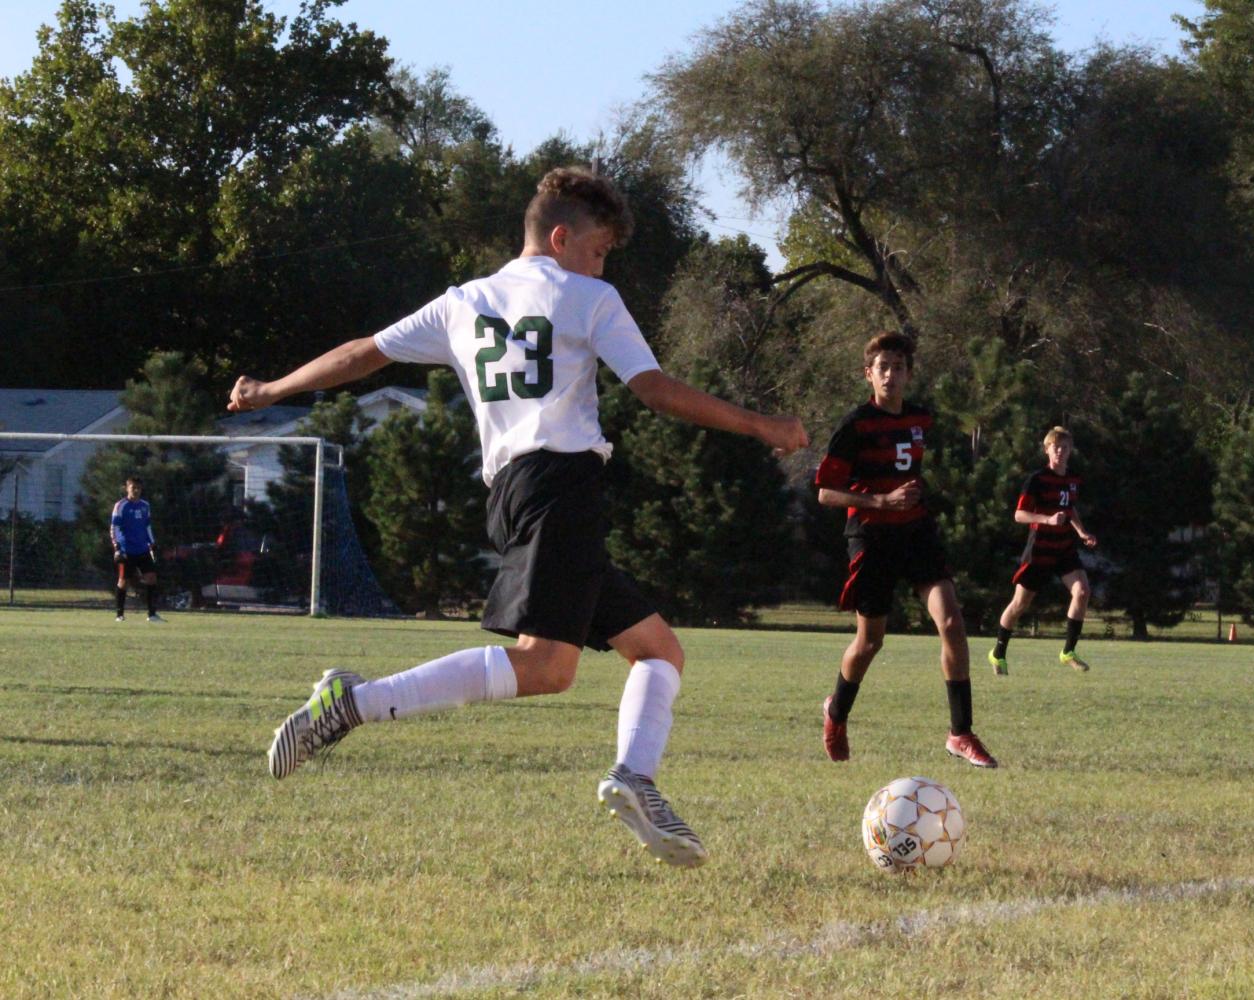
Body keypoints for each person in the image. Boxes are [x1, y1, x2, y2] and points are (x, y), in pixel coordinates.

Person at [227, 166, 807, 868]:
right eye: (597, 250)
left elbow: (362, 355)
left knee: (659, 650)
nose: (601, 264)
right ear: (561, 237)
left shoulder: (462, 302)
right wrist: (759, 424)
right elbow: (653, 389)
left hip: (516, 492)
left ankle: (636, 775)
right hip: (561, 486)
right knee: (546, 666)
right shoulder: (591, 296)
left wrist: (270, 388)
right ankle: (355, 703)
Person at [812, 333, 997, 769]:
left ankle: (960, 733)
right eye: (884, 368)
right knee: (870, 642)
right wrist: (881, 501)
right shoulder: (855, 426)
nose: (891, 375)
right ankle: (835, 714)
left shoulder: (921, 419)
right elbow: (825, 493)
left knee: (952, 622)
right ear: (869, 375)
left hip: (916, 533)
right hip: (872, 536)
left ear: (909, 374)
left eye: (899, 367)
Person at [988, 426, 1099, 675]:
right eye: (1055, 447)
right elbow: (1019, 515)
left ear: (1071, 451)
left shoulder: (1073, 479)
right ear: (1047, 449)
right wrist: (1048, 520)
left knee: (1082, 591)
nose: (1060, 452)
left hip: (1064, 549)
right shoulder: (1037, 480)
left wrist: (1082, 532)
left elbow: (1070, 509)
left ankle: (1068, 652)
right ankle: (998, 653)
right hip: (1040, 550)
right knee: (1019, 604)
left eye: (1065, 448)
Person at [110, 477, 162, 622]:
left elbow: (147, 526)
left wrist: (152, 543)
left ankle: (152, 614)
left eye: (138, 488)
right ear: (127, 489)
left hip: (142, 549)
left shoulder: (145, 505)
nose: (136, 491)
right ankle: (119, 615)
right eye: (133, 488)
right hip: (127, 550)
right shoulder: (121, 506)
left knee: (151, 578)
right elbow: (115, 527)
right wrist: (118, 547)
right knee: (123, 581)